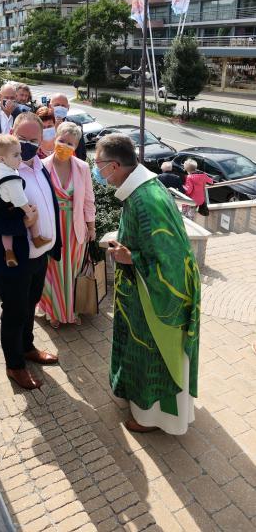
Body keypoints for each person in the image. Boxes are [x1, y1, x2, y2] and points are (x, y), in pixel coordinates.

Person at [94, 134, 200, 435]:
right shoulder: (140, 190)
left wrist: (131, 258)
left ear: (115, 166)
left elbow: (171, 258)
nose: (97, 171)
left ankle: (154, 418)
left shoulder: (146, 199)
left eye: (99, 165)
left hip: (156, 300)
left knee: (152, 354)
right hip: (141, 291)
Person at [0, 112, 61, 390]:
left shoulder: (39, 164)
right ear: (11, 132)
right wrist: (20, 221)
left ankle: (27, 347)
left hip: (40, 253)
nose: (29, 145)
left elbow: (49, 204)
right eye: (23, 138)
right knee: (14, 311)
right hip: (11, 259)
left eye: (34, 139)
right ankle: (15, 365)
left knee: (30, 304)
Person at [38, 122, 96, 329]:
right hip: (51, 228)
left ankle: (71, 310)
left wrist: (91, 227)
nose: (64, 145)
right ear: (55, 139)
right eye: (61, 140)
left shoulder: (83, 167)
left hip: (75, 227)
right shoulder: (41, 166)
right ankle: (54, 311)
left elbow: (89, 200)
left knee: (72, 270)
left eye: (70, 143)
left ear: (77, 145)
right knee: (52, 270)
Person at [0, 134, 51, 267]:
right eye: (16, 155)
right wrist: (29, 212)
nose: (20, 158)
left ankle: (9, 252)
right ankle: (36, 238)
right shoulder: (11, 179)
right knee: (34, 211)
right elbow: (20, 200)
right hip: (12, 206)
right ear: (2, 159)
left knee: (6, 231)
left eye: (20, 153)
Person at [49, 93, 87, 161]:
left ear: (68, 107)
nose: (60, 108)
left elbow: (81, 149)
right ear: (50, 106)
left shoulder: (76, 124)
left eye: (63, 106)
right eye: (57, 105)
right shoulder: (44, 125)